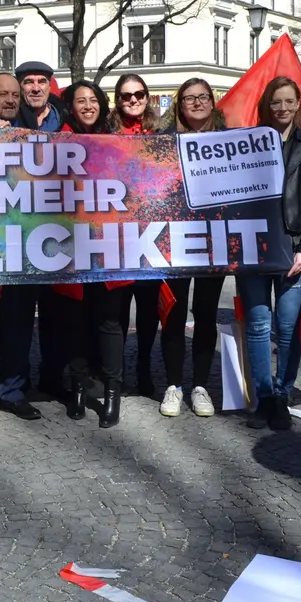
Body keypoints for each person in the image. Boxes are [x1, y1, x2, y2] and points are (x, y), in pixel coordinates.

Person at [238, 76, 301, 429]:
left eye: (289, 102)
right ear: (266, 105)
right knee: (258, 325)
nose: (283, 108)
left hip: (292, 248)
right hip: (252, 246)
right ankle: (264, 399)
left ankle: (283, 394)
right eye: (277, 102)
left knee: (286, 328)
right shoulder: (248, 143)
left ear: (298, 105)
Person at [57, 80, 131, 427]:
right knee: (73, 322)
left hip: (110, 245)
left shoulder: (119, 142)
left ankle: (112, 392)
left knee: (110, 322)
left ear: (102, 104)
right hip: (69, 246)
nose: (87, 106)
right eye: (80, 101)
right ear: (71, 107)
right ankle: (76, 387)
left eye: (93, 100)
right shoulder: (56, 140)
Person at [0, 62, 64, 420]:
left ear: (50, 86)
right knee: (16, 318)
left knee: (56, 315)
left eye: (41, 82)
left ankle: (53, 377)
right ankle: (12, 387)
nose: (35, 88)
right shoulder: (5, 120)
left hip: (59, 234)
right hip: (16, 236)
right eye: (27, 83)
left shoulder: (63, 120)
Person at [156, 78, 229, 418]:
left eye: (203, 97)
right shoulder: (165, 141)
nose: (197, 103)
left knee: (206, 314)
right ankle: (173, 385)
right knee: (173, 314)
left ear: (212, 102)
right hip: (175, 239)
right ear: (179, 104)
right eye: (190, 98)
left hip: (215, 238)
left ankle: (200, 385)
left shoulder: (231, 141)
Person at [111, 74, 165, 397]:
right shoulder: (105, 134)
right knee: (115, 313)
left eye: (139, 94)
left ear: (147, 98)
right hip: (115, 237)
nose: (133, 100)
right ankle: (113, 374)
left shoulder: (161, 134)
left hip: (152, 236)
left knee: (147, 312)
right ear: (117, 100)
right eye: (126, 95)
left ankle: (144, 366)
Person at [14, 61, 63, 130]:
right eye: (29, 82)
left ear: (49, 86)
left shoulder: (64, 117)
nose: (36, 89)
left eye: (42, 82)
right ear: (19, 86)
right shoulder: (10, 119)